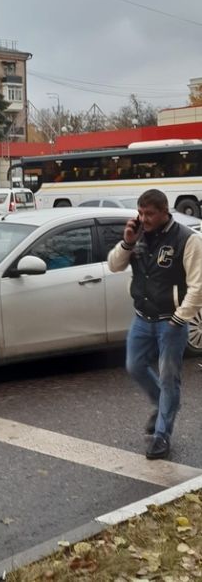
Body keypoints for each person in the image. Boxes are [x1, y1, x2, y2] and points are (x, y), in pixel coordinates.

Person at [108, 189, 202, 460]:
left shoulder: (187, 240)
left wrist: (180, 317)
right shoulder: (138, 236)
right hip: (142, 318)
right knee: (134, 366)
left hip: (170, 322)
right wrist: (127, 243)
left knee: (169, 378)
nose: (143, 218)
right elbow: (114, 266)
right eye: (140, 212)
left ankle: (162, 435)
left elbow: (197, 286)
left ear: (164, 211)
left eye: (149, 214)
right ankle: (164, 403)